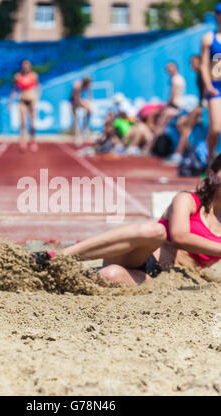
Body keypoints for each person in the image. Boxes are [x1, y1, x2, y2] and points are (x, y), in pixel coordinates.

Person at [56, 154, 221, 286]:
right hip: (143, 257)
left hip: (165, 280)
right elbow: (179, 237)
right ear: (212, 175)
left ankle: (57, 279)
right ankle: (57, 258)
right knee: (155, 231)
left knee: (110, 275)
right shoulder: (189, 200)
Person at [166, 55, 205, 166]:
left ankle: (179, 153)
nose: (191, 66)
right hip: (201, 106)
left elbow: (206, 97)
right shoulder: (199, 76)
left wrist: (198, 108)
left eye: (193, 62)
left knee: (185, 125)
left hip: (205, 108)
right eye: (190, 63)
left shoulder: (204, 75)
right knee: (180, 123)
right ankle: (186, 152)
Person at [201, 2, 221, 165]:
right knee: (215, 129)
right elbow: (203, 65)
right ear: (216, 16)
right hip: (216, 88)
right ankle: (210, 158)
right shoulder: (209, 38)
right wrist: (208, 86)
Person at [10, 60, 40, 152]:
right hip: (22, 100)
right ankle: (22, 143)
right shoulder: (18, 76)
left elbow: (38, 87)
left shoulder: (34, 75)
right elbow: (15, 89)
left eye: (27, 65)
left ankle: (33, 140)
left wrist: (37, 98)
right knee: (23, 123)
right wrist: (10, 101)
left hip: (31, 100)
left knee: (32, 123)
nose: (26, 67)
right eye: (24, 65)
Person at [153, 62, 186, 138]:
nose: (168, 70)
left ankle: (152, 142)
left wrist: (166, 106)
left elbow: (173, 96)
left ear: (175, 67)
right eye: (167, 68)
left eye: (170, 67)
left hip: (175, 107)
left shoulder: (175, 79)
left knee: (160, 123)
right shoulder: (178, 78)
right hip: (175, 106)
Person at [71, 76, 92, 145]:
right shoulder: (77, 86)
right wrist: (84, 105)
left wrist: (87, 103)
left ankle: (85, 127)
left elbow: (89, 96)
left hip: (79, 101)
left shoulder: (87, 86)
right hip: (73, 102)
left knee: (89, 110)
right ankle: (77, 137)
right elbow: (76, 99)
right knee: (76, 120)